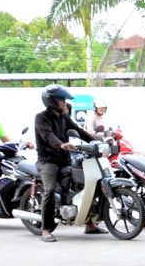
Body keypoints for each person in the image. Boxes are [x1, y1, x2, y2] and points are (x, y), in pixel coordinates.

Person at [33, 84, 101, 242]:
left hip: (64, 160)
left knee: (86, 184)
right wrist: (61, 144)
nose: (64, 102)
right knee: (50, 190)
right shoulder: (41, 118)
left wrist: (97, 142)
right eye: (61, 99)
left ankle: (89, 224)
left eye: (64, 100)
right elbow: (47, 135)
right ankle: (45, 229)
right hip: (47, 161)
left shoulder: (64, 116)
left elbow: (79, 130)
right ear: (51, 101)